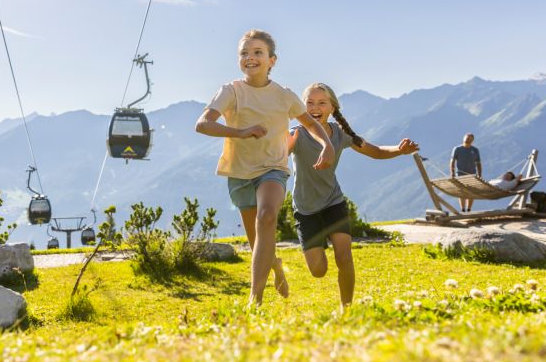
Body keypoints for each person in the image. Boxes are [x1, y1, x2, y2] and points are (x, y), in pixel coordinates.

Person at [195, 30, 334, 306]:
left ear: (272, 60)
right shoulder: (230, 91)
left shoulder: (284, 95)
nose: (250, 57)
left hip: (273, 168)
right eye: (244, 53)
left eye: (258, 52)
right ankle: (275, 266)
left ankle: (254, 299)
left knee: (267, 216)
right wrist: (241, 132)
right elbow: (203, 124)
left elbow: (310, 124)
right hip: (239, 173)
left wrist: (327, 145)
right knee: (258, 240)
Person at [288, 83, 419, 309]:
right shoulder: (296, 134)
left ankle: (346, 309)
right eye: (309, 102)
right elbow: (278, 153)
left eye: (322, 103)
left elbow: (375, 151)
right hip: (306, 209)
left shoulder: (340, 134)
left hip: (333, 202)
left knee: (344, 256)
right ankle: (318, 248)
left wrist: (400, 150)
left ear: (332, 108)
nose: (315, 107)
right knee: (318, 270)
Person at [450, 133, 482, 212]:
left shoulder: (475, 150)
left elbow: (478, 163)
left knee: (471, 192)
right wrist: (452, 173)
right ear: (463, 138)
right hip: (460, 174)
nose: (467, 140)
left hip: (472, 174)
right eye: (466, 138)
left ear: (472, 140)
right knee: (461, 192)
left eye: (469, 139)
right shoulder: (457, 149)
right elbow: (452, 161)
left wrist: (479, 175)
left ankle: (469, 209)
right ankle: (463, 209)